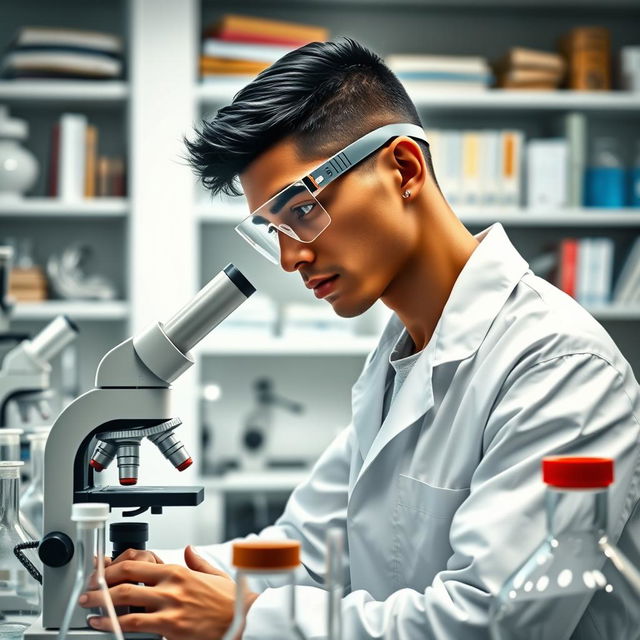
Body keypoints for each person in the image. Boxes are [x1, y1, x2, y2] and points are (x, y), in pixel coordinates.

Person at [81, 38, 640, 639]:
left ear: (403, 169)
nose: (292, 256)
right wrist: (161, 578)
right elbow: (304, 552)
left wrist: (243, 618)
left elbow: (490, 622)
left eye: (301, 210)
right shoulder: (398, 356)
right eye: (274, 230)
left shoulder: (560, 365)